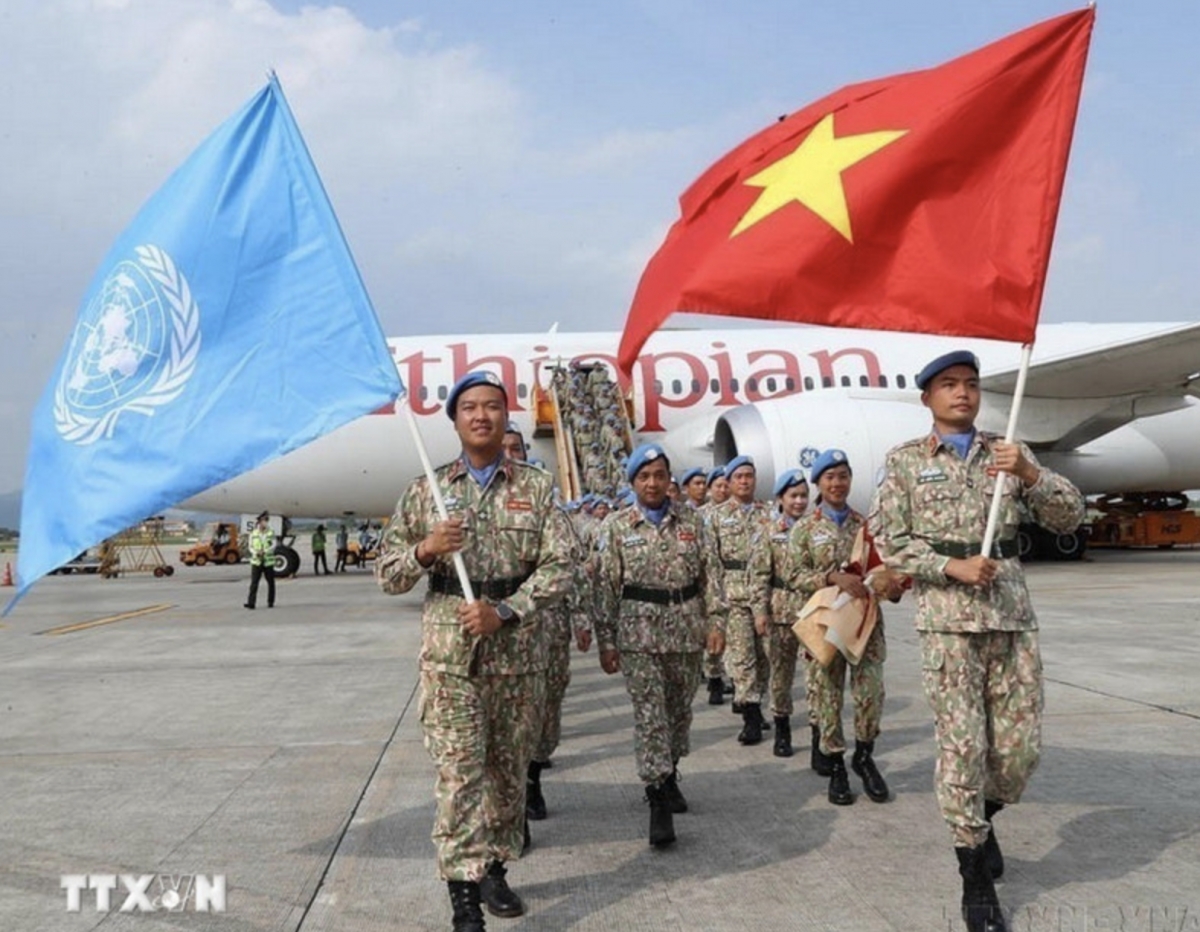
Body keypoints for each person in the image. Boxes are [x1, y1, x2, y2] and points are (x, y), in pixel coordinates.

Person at [869, 350, 1085, 932]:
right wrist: (948, 567)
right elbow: (888, 541)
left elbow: (1070, 518)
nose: (962, 393)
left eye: (969, 384)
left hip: (1011, 617)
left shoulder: (1009, 453)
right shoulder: (907, 462)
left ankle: (983, 815)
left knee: (1017, 754)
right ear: (928, 399)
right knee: (963, 748)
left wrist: (1032, 475)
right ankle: (974, 875)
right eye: (948, 385)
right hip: (947, 623)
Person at [375, 370, 571, 932]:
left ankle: (494, 867)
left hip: (516, 653)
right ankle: (462, 891)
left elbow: (562, 565)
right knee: (461, 774)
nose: (481, 415)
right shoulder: (425, 491)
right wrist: (426, 549)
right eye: (469, 408)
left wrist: (507, 610)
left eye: (491, 406)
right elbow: (386, 575)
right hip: (451, 659)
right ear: (455, 420)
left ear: (506, 418)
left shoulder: (536, 488)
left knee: (507, 775)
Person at [593, 443, 726, 848]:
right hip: (638, 635)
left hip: (685, 630)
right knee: (651, 716)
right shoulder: (616, 527)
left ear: (670, 479)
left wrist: (716, 621)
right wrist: (606, 640)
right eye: (644, 476)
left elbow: (712, 575)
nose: (652, 483)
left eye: (659, 474)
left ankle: (669, 772)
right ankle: (656, 799)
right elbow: (604, 587)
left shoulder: (694, 522)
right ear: (633, 482)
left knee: (678, 714)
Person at [789, 450, 901, 806]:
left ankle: (864, 756)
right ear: (818, 483)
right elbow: (791, 575)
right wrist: (830, 576)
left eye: (843, 476)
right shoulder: (805, 528)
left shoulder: (865, 525)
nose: (838, 483)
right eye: (830, 477)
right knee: (827, 695)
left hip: (864, 624)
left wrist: (890, 585)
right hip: (825, 623)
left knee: (871, 693)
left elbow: (883, 568)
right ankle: (835, 762)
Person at [704, 455, 772, 744]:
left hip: (764, 595)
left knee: (766, 657)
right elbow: (711, 563)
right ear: (729, 482)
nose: (744, 481)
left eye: (749, 476)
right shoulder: (716, 517)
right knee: (742, 657)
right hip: (732, 595)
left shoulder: (768, 514)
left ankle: (757, 701)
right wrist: (714, 603)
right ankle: (751, 714)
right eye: (739, 477)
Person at [762, 469, 811, 758]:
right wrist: (761, 611)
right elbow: (759, 575)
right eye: (793, 496)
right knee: (781, 674)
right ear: (781, 499)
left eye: (804, 495)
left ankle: (820, 731)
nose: (799, 501)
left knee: (818, 674)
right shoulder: (770, 532)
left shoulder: (815, 529)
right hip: (780, 611)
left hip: (811, 610)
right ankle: (782, 728)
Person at [244, 511, 275, 609]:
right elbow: (250, 546)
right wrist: (256, 552)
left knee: (270, 582)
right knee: (254, 583)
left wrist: (265, 551)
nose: (266, 522)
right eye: (264, 520)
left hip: (267, 561)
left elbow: (273, 545)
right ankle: (251, 603)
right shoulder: (253, 533)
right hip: (256, 561)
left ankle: (270, 601)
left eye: (267, 520)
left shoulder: (271, 532)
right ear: (260, 522)